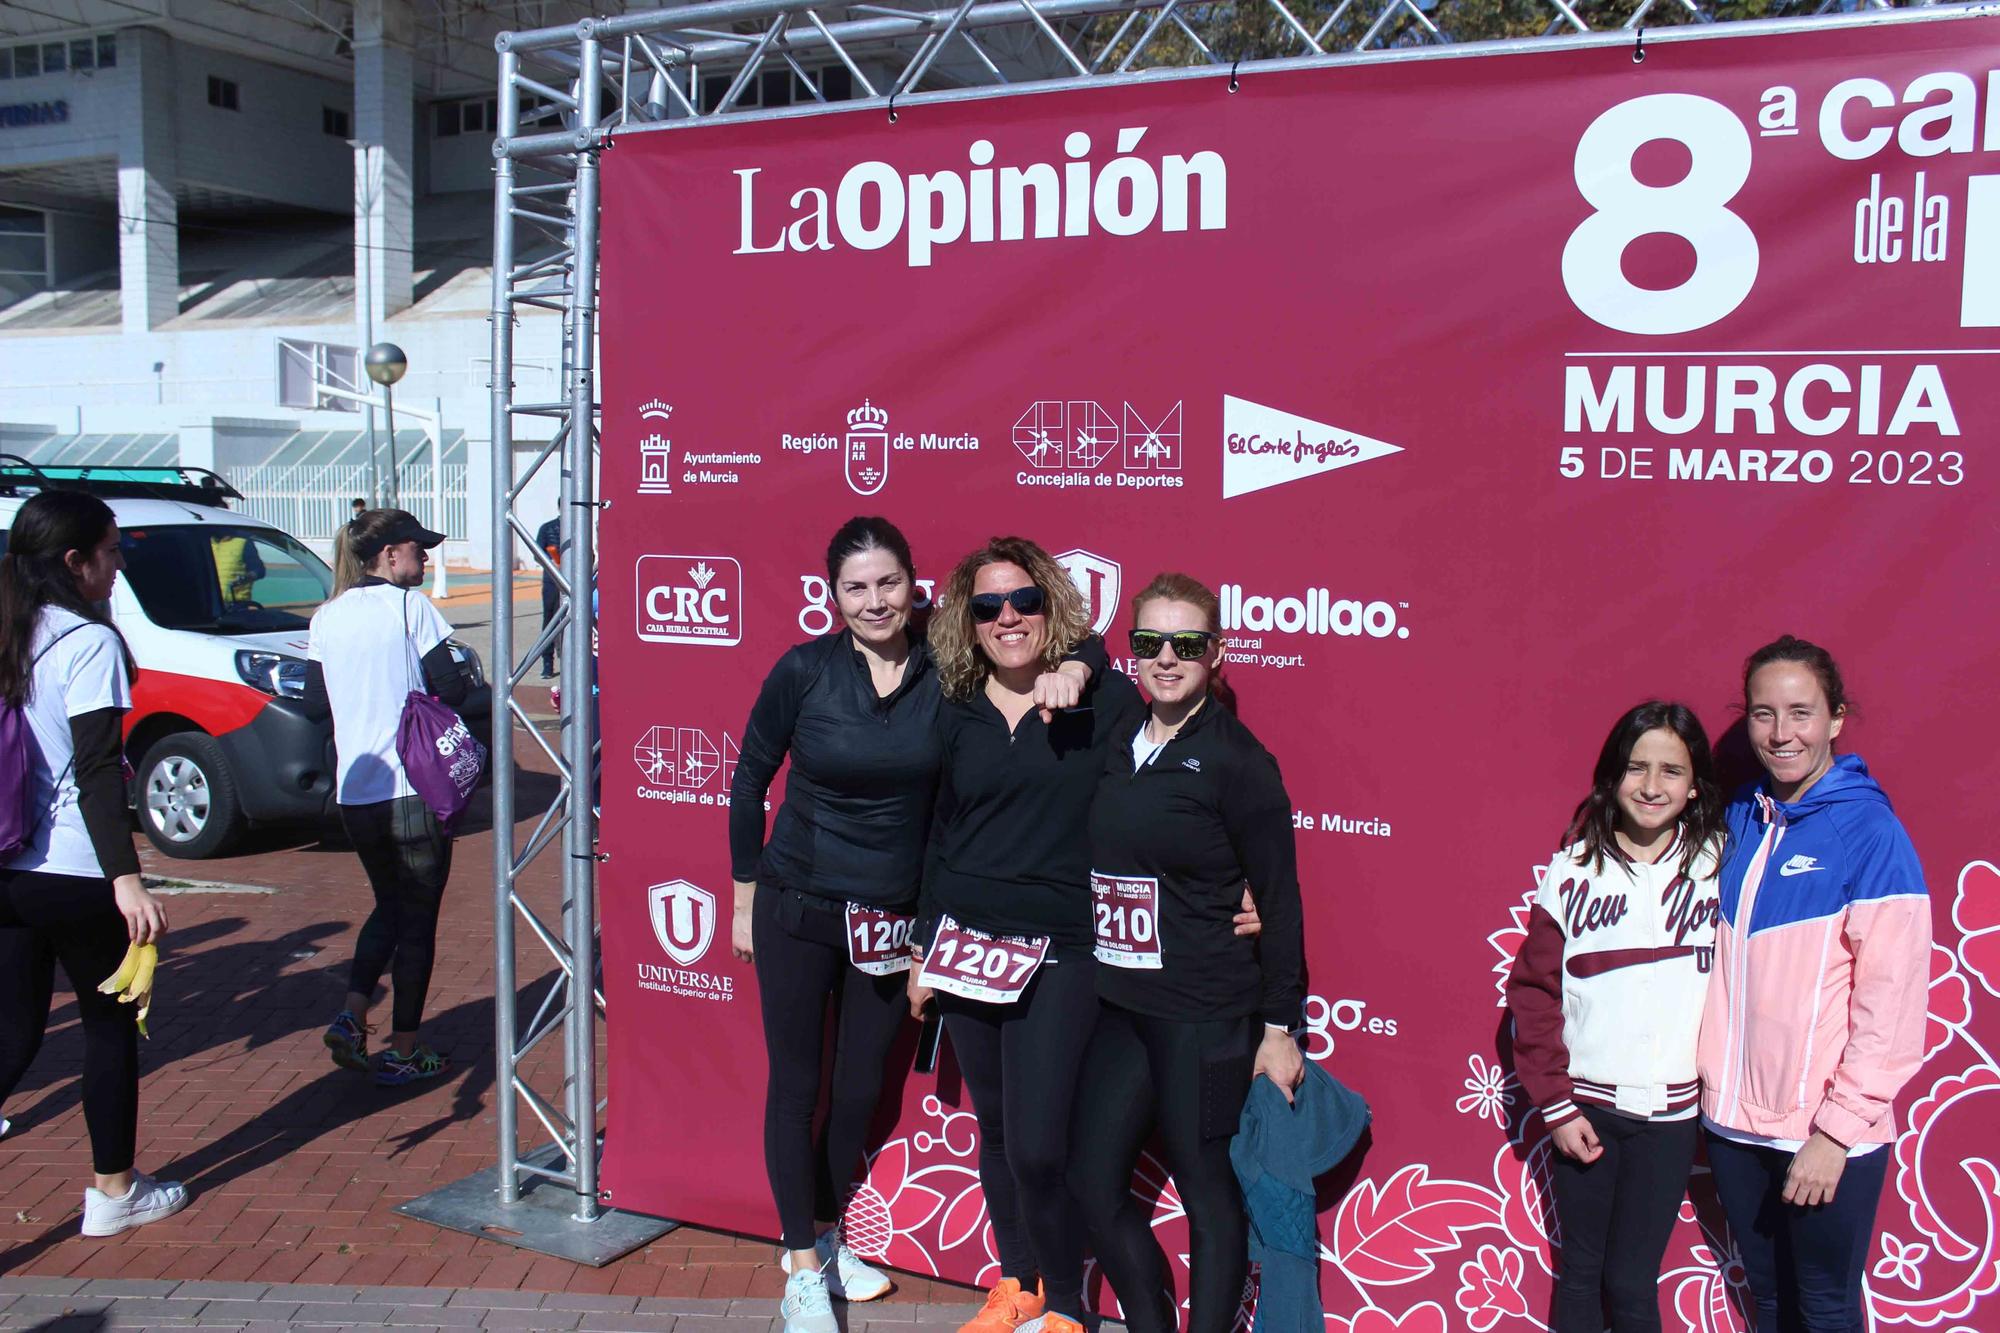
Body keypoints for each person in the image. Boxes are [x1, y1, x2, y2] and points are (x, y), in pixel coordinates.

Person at [732, 519, 1092, 1333]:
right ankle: (799, 1264)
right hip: (797, 902)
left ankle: (828, 1235)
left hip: (891, 921)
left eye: (887, 583)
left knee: (858, 1087)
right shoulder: (804, 671)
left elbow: (1075, 639)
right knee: (798, 1086)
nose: (874, 601)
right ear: (833, 596)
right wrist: (743, 891)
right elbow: (751, 776)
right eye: (855, 587)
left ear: (915, 585)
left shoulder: (950, 667)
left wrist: (1076, 661)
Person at [910, 536, 1145, 1333]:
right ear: (967, 621)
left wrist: (1084, 660)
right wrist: (923, 948)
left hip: (1063, 949)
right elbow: (941, 833)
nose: (1008, 617)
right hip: (968, 945)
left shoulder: (1099, 696)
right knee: (1001, 1130)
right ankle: (1021, 1284)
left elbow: (1164, 779)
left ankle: (1069, 1303)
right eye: (987, 606)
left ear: (1051, 604)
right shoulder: (956, 706)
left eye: (1024, 601)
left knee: (1044, 1144)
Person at [1067, 572, 1306, 1333]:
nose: (1166, 657)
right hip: (1120, 1002)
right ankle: (1150, 1319)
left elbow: (1279, 897)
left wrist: (1277, 1028)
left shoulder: (1239, 761)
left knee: (1207, 1189)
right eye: (1149, 642)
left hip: (1204, 1010)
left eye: (1187, 643)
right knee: (1091, 1178)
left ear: (1218, 653)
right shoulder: (1117, 731)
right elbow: (1062, 653)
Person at [1698, 636, 1931, 1333]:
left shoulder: (1871, 831)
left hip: (1824, 1132)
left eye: (1801, 712)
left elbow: (1890, 1006)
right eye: (1764, 714)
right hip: (1735, 1125)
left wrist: (1834, 1133)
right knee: (1767, 1301)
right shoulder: (1738, 817)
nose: (1780, 732)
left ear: (1835, 718)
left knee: (1825, 1306)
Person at [0, 490, 188, 1235]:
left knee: (13, 1032)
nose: (117, 565)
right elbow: (99, 772)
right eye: (110, 551)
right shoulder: (87, 640)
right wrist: (130, 880)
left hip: (7, 865)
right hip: (74, 870)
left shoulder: (11, 628)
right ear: (75, 560)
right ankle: (115, 1193)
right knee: (109, 1029)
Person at [1506, 702, 1725, 1333]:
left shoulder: (1719, 863)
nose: (1652, 787)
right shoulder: (1574, 869)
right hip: (1588, 1112)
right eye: (1637, 768)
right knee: (1581, 1272)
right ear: (1611, 774)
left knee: (1632, 1282)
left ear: (1695, 785)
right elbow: (1532, 992)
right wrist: (1557, 1105)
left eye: (1671, 771)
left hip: (1672, 1117)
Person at [305, 509, 474, 1086]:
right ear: (389, 555)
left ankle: (353, 1013)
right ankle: (403, 1048)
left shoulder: (326, 617)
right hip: (412, 788)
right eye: (417, 550)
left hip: (357, 790)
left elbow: (311, 700)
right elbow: (451, 687)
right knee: (418, 920)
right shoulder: (411, 608)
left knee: (389, 904)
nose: (424, 560)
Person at [536, 514, 560, 679]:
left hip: (574, 581)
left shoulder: (579, 527)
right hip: (552, 581)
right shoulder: (547, 528)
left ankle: (570, 661)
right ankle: (547, 663)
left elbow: (589, 553)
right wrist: (552, 563)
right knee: (550, 621)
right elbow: (537, 553)